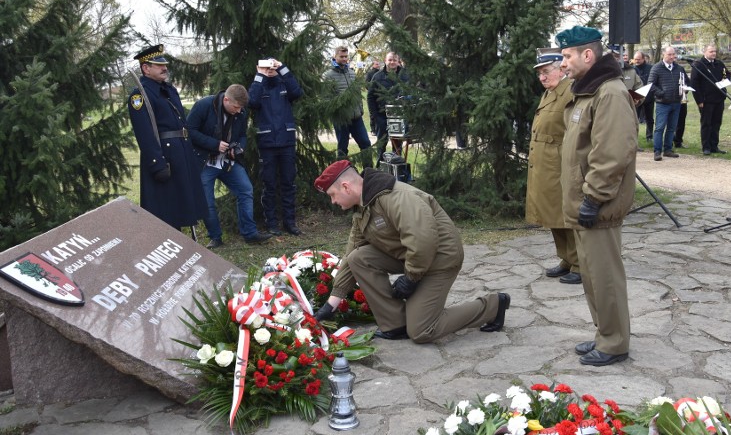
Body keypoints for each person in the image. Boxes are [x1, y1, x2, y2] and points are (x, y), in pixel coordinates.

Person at [312, 160, 510, 342]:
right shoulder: (363, 206)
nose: (333, 201)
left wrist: (411, 278)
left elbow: (422, 239)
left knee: (423, 330)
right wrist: (331, 304)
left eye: (332, 195)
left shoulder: (395, 197)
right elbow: (351, 253)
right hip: (414, 258)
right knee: (358, 258)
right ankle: (395, 323)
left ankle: (493, 305)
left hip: (441, 258)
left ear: (345, 187)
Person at [556, 26, 637, 367]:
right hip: (584, 205)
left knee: (605, 278)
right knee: (591, 276)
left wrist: (593, 198)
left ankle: (615, 343)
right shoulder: (589, 91)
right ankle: (605, 334)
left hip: (597, 206)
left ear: (587, 55)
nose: (563, 64)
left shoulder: (610, 94)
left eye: (567, 56)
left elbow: (612, 154)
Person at [127, 44, 207, 230]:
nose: (164, 68)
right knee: (167, 211)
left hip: (182, 153)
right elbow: (144, 133)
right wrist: (157, 163)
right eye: (158, 65)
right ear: (146, 68)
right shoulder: (140, 96)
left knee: (182, 206)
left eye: (164, 64)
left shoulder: (169, 90)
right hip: (165, 157)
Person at [186, 84, 273, 248]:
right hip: (205, 161)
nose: (239, 111)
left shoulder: (241, 111)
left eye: (241, 108)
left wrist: (238, 147)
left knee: (245, 189)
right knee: (207, 200)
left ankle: (250, 234)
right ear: (226, 99)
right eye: (236, 107)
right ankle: (215, 237)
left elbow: (242, 135)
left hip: (228, 161)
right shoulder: (204, 106)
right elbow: (189, 131)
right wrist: (214, 144)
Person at [525, 50, 581, 285]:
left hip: (559, 163)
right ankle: (566, 259)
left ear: (561, 69)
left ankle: (580, 264)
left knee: (565, 216)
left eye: (546, 72)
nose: (542, 78)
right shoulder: (550, 92)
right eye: (540, 74)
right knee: (551, 215)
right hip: (544, 164)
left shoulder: (570, 91)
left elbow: (575, 131)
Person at [249, 57, 304, 236]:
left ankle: (290, 222)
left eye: (272, 65)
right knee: (269, 184)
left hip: (286, 141)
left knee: (288, 183)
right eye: (266, 65)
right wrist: (260, 75)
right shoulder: (259, 85)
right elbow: (252, 101)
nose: (270, 68)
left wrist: (283, 68)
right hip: (267, 143)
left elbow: (297, 92)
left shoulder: (284, 84)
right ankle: (271, 223)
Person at [324, 46, 372, 162]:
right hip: (341, 120)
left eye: (346, 56)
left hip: (356, 117)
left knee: (366, 144)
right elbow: (326, 99)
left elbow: (357, 94)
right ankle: (343, 175)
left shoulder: (352, 72)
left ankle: (369, 175)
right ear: (334, 57)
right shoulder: (328, 75)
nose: (344, 59)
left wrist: (360, 109)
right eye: (341, 56)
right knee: (342, 149)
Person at [368, 51, 410, 165]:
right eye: (390, 59)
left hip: (399, 116)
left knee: (397, 146)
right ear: (385, 61)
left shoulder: (405, 75)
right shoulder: (377, 76)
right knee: (381, 145)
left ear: (398, 61)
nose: (392, 62)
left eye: (395, 60)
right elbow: (370, 97)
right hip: (381, 116)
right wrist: (375, 116)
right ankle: (380, 168)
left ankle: (396, 169)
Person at [691, 44, 731, 155]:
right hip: (706, 100)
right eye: (711, 51)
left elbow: (727, 74)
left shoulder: (719, 64)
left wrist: (724, 82)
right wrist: (699, 100)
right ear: (704, 52)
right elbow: (694, 83)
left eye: (714, 51)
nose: (713, 53)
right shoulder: (699, 65)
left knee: (716, 123)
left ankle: (714, 145)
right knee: (706, 124)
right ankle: (706, 147)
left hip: (719, 99)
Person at [648, 46, 687, 161]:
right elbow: (650, 84)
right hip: (662, 103)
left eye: (673, 54)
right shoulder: (656, 68)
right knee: (660, 127)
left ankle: (668, 149)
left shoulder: (679, 68)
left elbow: (686, 82)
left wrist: (685, 90)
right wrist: (661, 93)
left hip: (676, 102)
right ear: (663, 55)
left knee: (671, 127)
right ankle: (657, 151)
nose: (672, 57)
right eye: (669, 54)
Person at [633, 51, 653, 139]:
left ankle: (649, 136)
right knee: (635, 118)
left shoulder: (651, 68)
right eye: (635, 59)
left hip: (649, 97)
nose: (636, 61)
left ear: (643, 59)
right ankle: (634, 136)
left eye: (638, 59)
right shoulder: (632, 69)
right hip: (636, 97)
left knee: (649, 118)